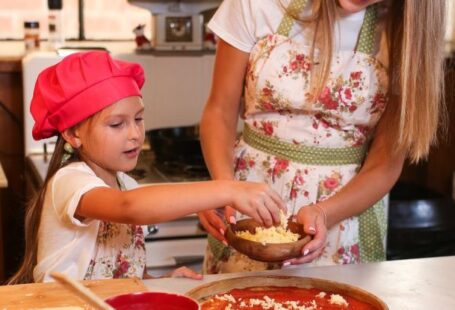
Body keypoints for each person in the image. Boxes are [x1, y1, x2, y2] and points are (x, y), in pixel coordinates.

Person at [198, 0, 446, 274]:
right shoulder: (257, 4)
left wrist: (326, 212)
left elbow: (385, 162)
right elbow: (219, 111)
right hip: (247, 200)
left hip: (343, 217)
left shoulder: (405, 29)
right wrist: (224, 187)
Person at [8, 51, 285, 284]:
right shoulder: (70, 181)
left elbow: (122, 272)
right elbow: (129, 207)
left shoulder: (126, 184)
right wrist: (227, 190)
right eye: (117, 124)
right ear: (72, 135)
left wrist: (158, 282)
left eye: (138, 119)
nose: (134, 134)